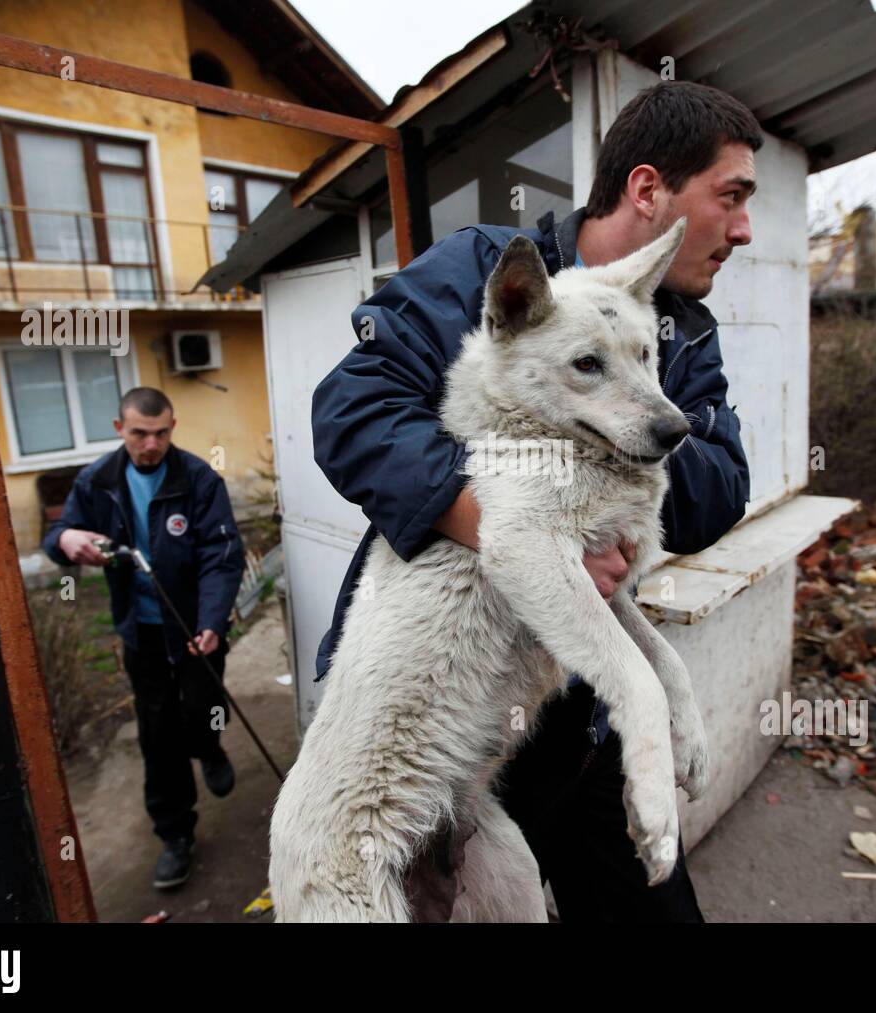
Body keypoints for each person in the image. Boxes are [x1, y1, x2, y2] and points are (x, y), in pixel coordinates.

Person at [311, 80, 760, 921]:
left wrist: (629, 438)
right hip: (436, 690)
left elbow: (717, 493)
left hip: (576, 721)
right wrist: (508, 528)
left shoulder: (682, 328)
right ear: (648, 190)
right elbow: (352, 409)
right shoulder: (481, 270)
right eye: (730, 198)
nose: (743, 230)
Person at [44, 386, 246, 889]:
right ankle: (176, 834)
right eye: (139, 433)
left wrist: (212, 621)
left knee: (201, 707)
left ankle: (210, 746)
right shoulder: (98, 481)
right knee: (158, 736)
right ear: (120, 430)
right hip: (143, 633)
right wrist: (66, 540)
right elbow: (60, 535)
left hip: (196, 627)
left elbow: (222, 555)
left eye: (160, 433)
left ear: (172, 428)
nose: (151, 444)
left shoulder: (198, 479)